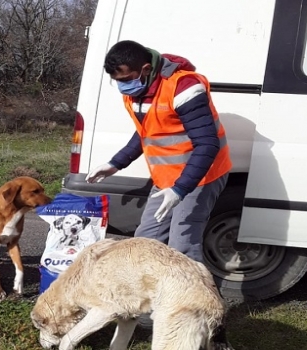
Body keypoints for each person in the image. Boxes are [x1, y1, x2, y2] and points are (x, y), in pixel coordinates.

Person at [86, 40, 234, 349]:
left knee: (182, 248)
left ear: (144, 69)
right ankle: (152, 312)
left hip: (201, 175)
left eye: (126, 79)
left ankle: (209, 325)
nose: (122, 85)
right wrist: (115, 163)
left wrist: (180, 190)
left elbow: (208, 144)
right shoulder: (141, 91)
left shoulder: (184, 87)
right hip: (167, 179)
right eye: (116, 80)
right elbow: (146, 132)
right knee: (145, 242)